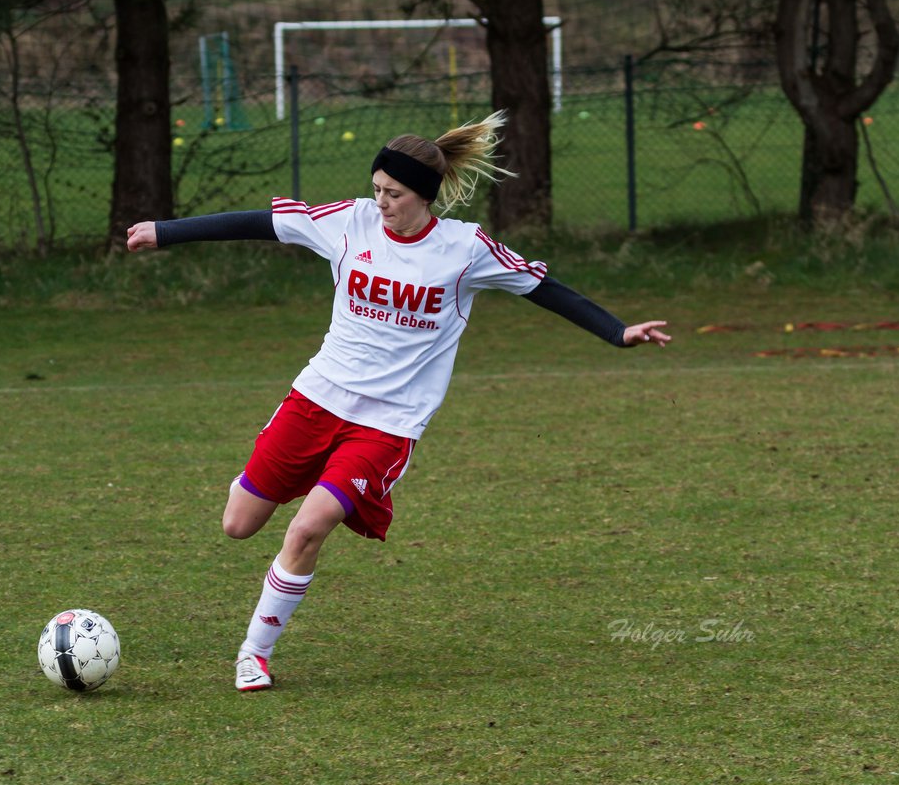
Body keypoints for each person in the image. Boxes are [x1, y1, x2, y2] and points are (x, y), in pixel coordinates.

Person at [126, 110, 670, 692]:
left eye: (394, 193)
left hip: (386, 425)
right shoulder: (349, 223)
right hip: (316, 399)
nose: (380, 201)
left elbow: (545, 290)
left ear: (425, 196)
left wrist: (618, 331)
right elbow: (263, 222)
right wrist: (166, 231)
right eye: (377, 189)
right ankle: (280, 474)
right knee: (238, 524)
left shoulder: (465, 250)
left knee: (309, 528)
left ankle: (253, 653)